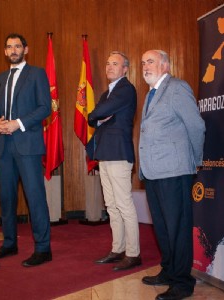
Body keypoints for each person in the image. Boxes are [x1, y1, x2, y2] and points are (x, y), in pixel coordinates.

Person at [139, 50, 205, 300]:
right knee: (164, 228)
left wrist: (195, 160)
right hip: (154, 172)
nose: (146, 66)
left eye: (151, 61)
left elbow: (196, 126)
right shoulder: (151, 93)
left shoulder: (177, 88)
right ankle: (168, 271)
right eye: (143, 62)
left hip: (174, 170)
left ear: (165, 65)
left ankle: (182, 282)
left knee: (177, 228)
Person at [0, 33, 52, 267]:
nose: (13, 50)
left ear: (26, 49)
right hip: (4, 146)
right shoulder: (0, 78)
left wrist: (18, 123)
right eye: (9, 47)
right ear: (5, 52)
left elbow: (44, 107)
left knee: (35, 197)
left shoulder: (37, 74)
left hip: (28, 144)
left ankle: (43, 248)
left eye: (17, 46)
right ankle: (9, 243)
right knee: (6, 198)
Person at [88, 51, 141, 271]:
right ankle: (117, 249)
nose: (109, 67)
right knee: (111, 205)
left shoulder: (125, 89)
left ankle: (133, 253)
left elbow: (100, 112)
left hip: (119, 153)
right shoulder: (105, 93)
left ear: (125, 69)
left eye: (115, 64)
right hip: (105, 153)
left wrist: (99, 115)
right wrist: (98, 117)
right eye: (108, 63)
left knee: (124, 204)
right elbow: (92, 117)